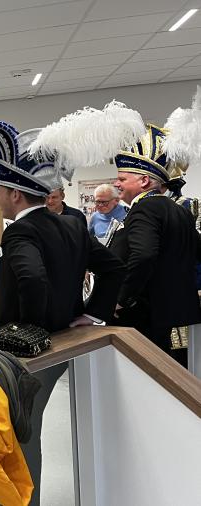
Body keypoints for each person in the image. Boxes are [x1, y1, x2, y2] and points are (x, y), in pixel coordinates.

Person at [0, 120, 124, 506]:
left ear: (14, 193)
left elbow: (32, 279)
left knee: (21, 432)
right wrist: (92, 314)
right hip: (62, 343)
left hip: (27, 355)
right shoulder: (72, 226)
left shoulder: (18, 232)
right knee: (26, 428)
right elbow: (113, 269)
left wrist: (30, 334)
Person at [110, 124, 201, 368]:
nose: (116, 183)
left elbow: (143, 256)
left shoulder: (145, 208)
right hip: (178, 315)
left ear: (144, 180)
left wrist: (121, 299)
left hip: (149, 317)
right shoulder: (178, 210)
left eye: (122, 178)